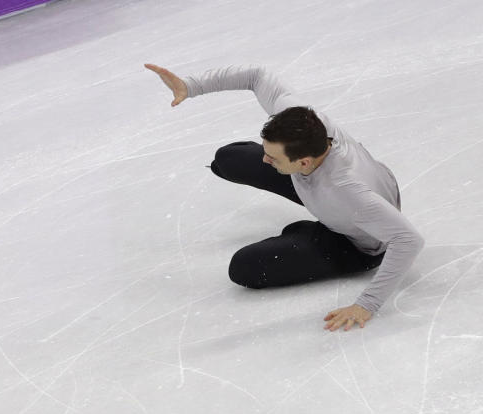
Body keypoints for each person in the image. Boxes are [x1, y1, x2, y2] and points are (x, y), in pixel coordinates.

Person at [145, 63, 424, 331]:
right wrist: (189, 86)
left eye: (273, 157)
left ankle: (310, 234)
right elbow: (256, 76)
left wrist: (367, 304)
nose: (265, 159)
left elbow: (408, 240)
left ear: (303, 162)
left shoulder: (347, 191)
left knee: (245, 268)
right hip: (340, 192)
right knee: (229, 159)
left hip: (357, 242)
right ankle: (308, 221)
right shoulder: (304, 120)